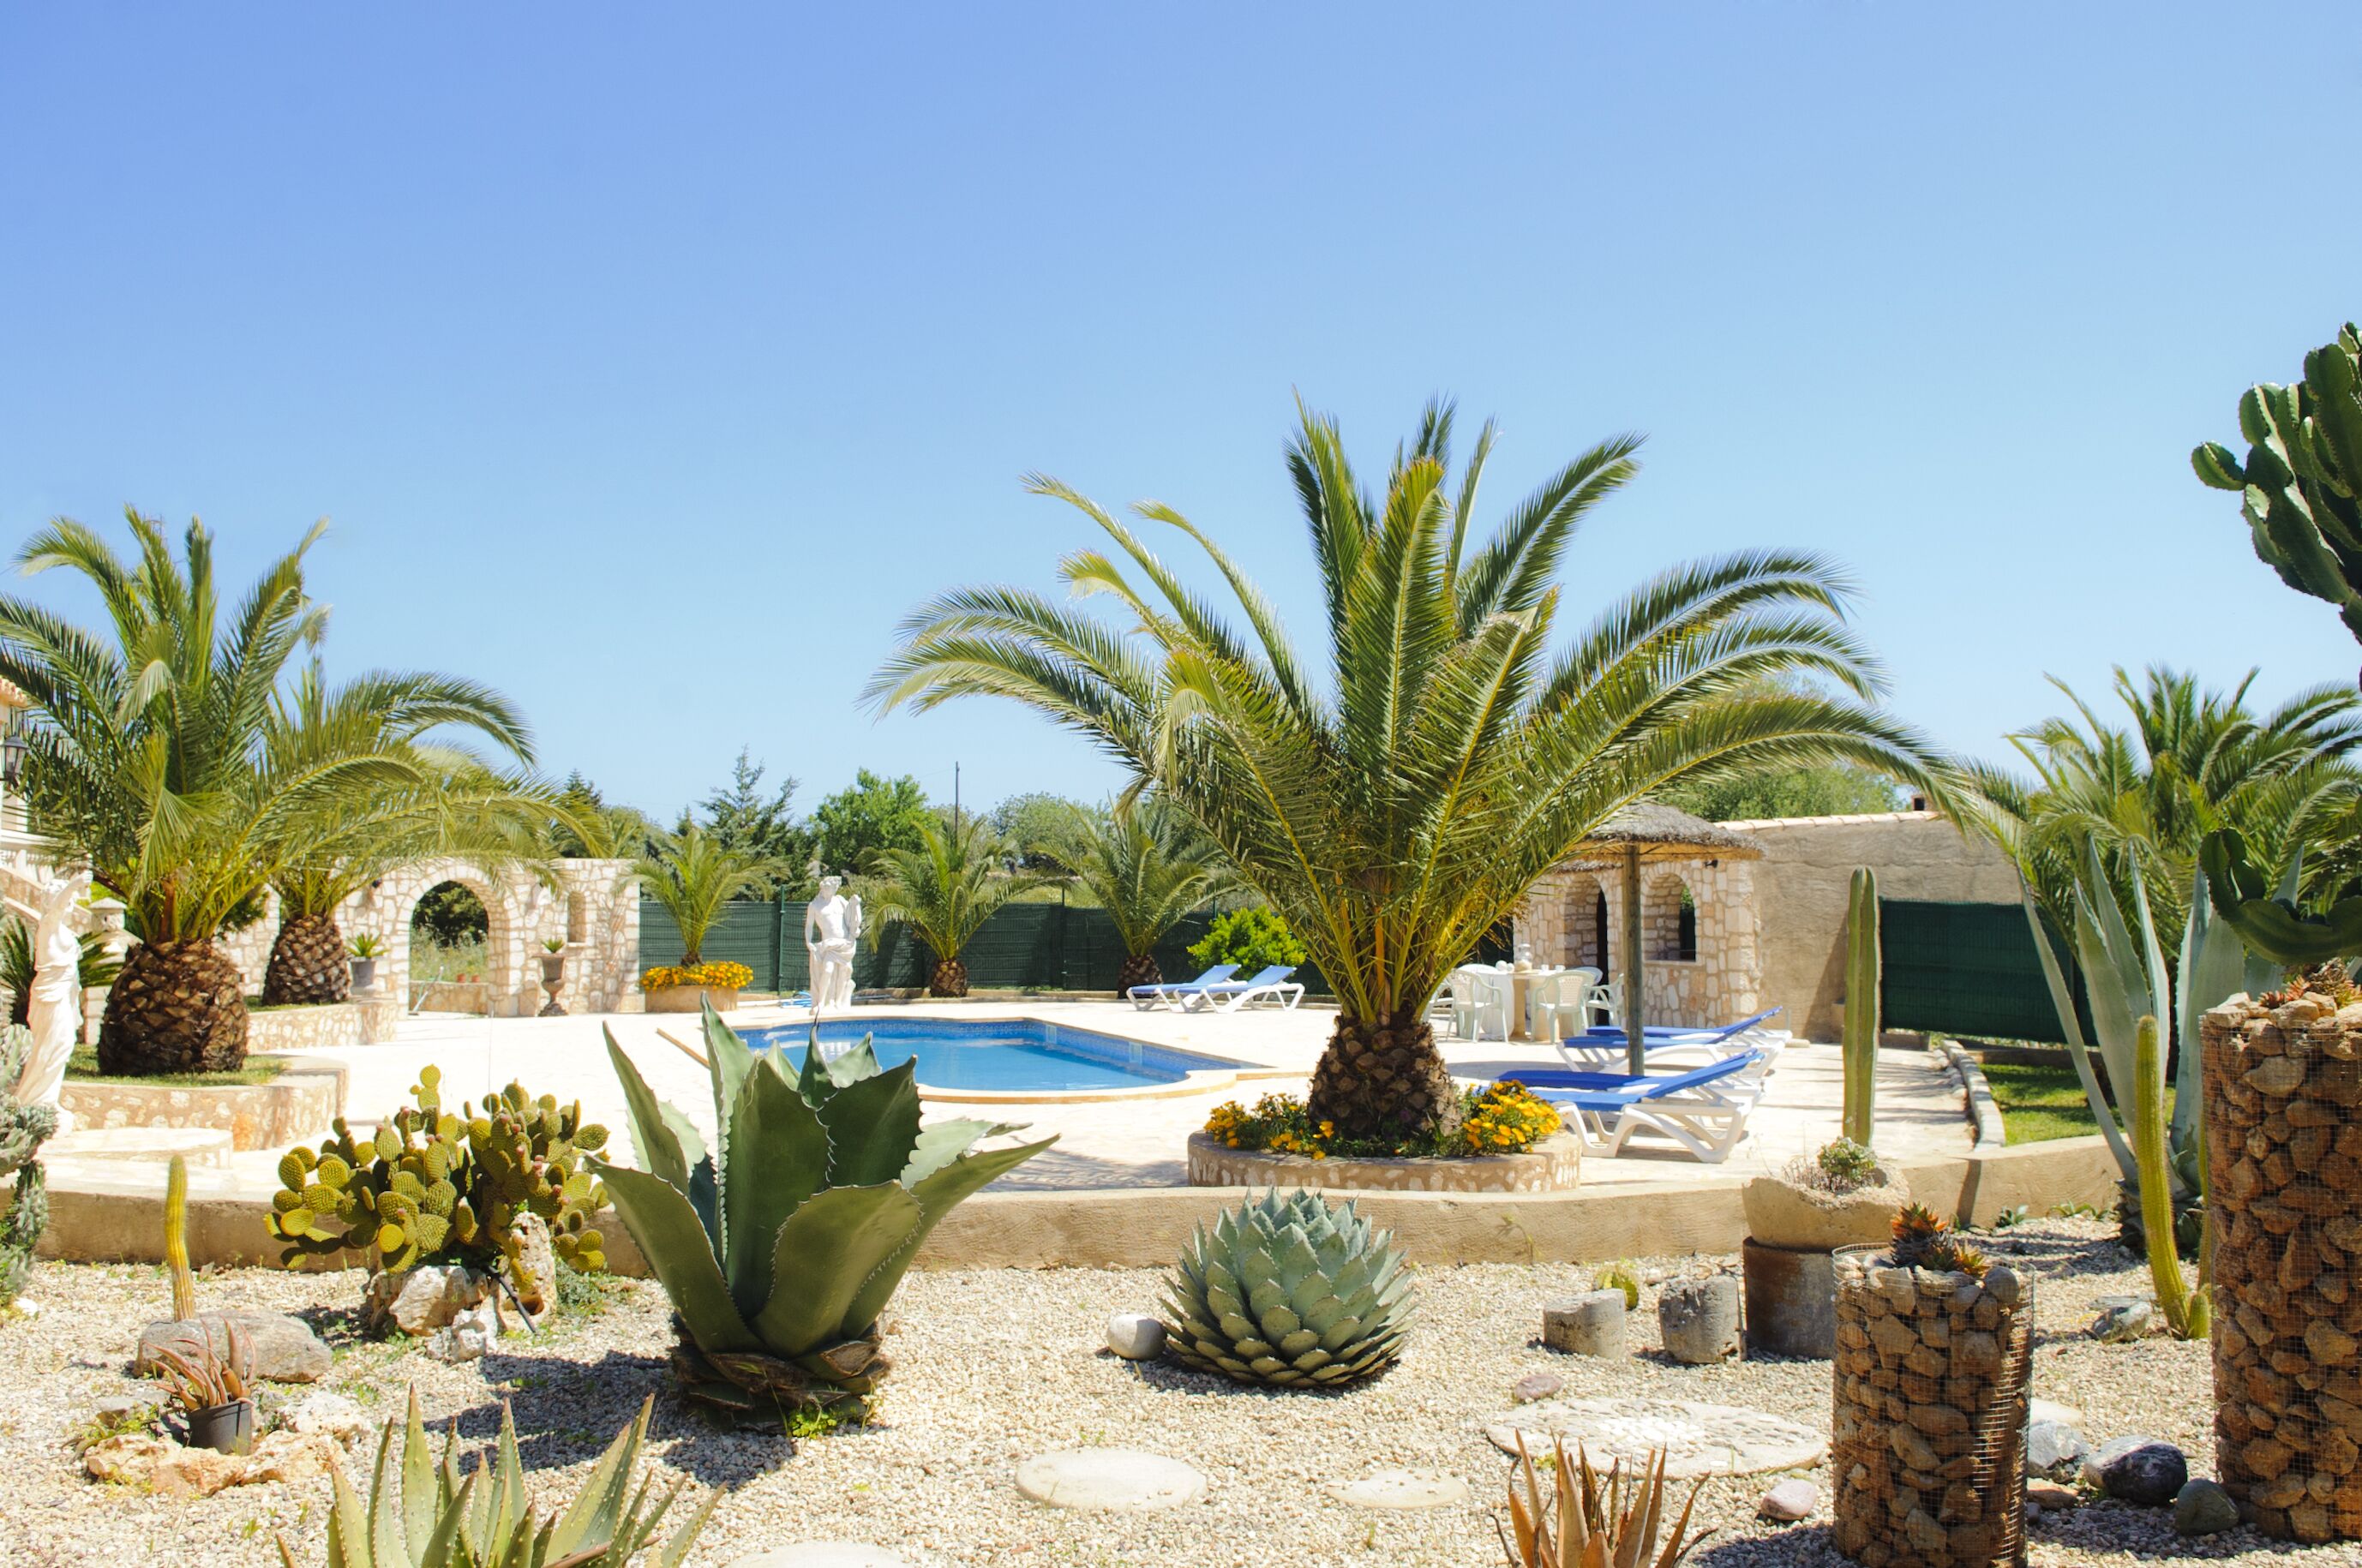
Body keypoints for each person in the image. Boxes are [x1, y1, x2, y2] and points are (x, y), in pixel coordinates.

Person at [803, 875, 863, 1011]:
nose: (833, 890)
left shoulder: (840, 901)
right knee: (827, 970)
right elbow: (809, 925)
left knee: (844, 973)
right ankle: (821, 1002)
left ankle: (838, 1002)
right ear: (823, 887)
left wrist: (855, 904)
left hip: (846, 943)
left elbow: (853, 918)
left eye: (835, 888)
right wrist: (808, 942)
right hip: (829, 944)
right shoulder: (814, 905)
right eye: (831, 888)